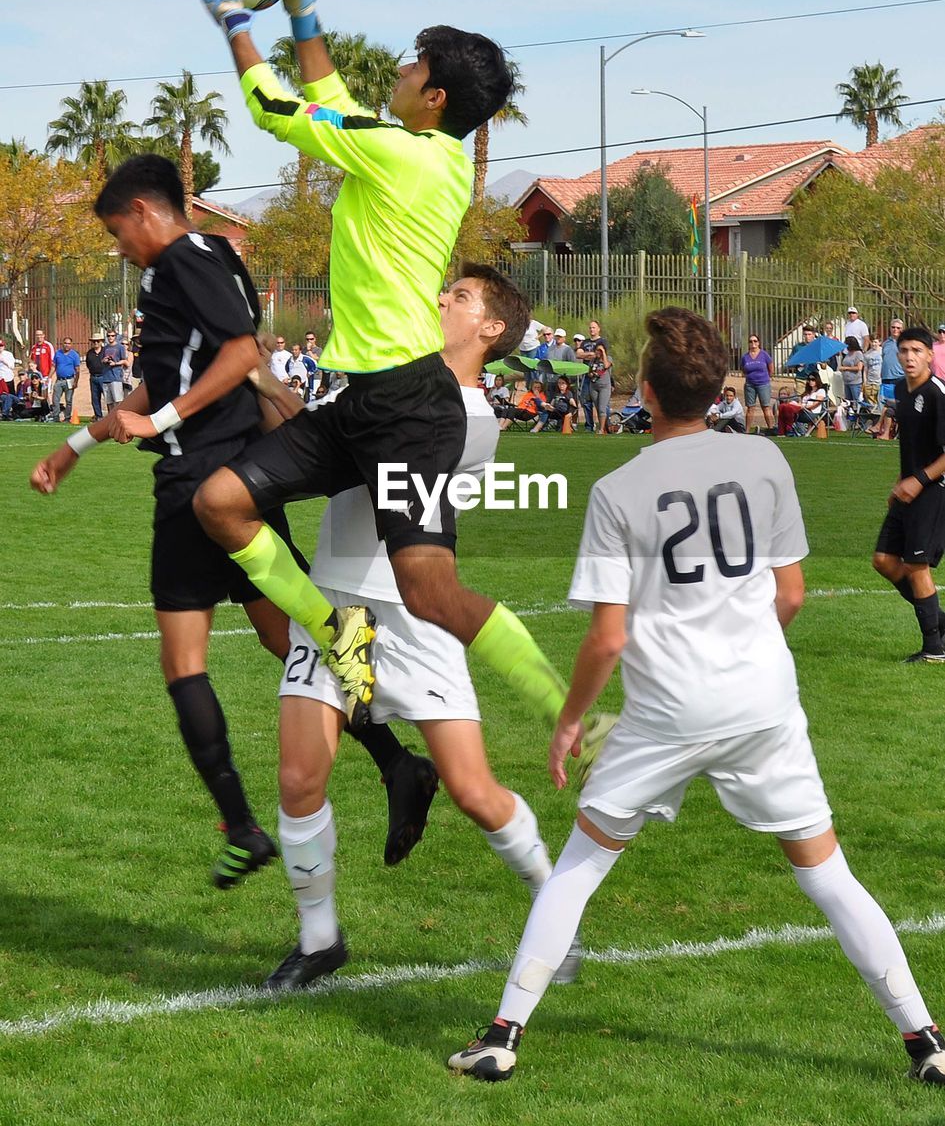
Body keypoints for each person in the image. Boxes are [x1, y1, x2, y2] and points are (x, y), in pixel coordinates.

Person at [449, 306, 945, 1088]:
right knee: (826, 876)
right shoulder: (766, 464)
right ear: (718, 389)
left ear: (644, 390)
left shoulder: (617, 488)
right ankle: (924, 1040)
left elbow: (607, 638)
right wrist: (745, 648)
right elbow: (790, 595)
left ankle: (502, 1034)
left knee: (579, 864)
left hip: (666, 713)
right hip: (760, 702)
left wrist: (570, 718)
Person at [190, 0, 570, 736]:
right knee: (220, 503)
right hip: (362, 399)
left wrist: (232, 17)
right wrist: (302, 2)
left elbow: (275, 108)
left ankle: (567, 711)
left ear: (433, 97)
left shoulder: (405, 155)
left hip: (411, 407)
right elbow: (329, 99)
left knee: (431, 590)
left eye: (413, 65)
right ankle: (337, 635)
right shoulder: (413, 149)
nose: (399, 69)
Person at [30, 155, 438, 885]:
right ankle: (397, 762)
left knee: (185, 663)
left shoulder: (185, 260)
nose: (117, 248)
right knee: (290, 636)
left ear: (147, 213)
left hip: (198, 483)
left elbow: (243, 354)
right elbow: (188, 367)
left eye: (119, 231)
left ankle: (243, 826)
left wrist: (162, 419)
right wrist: (78, 442)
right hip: (234, 477)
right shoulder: (199, 260)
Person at [262, 266, 605, 988]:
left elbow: (347, 460)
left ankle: (552, 908)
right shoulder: (395, 383)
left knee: (474, 790)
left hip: (411, 613)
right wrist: (265, 387)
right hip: (337, 605)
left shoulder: (471, 422)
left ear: (490, 329)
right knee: (299, 778)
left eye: (458, 296)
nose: (439, 298)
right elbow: (318, 444)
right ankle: (319, 939)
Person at [871, 326, 945, 664]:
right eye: (904, 351)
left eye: (917, 350)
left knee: (916, 564)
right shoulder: (901, 388)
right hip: (909, 486)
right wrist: (900, 481)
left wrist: (918, 480)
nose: (910, 357)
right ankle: (940, 624)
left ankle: (934, 649)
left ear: (930, 354)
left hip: (935, 488)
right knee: (884, 561)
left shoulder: (937, 394)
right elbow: (911, 445)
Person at [873, 319, 905, 441]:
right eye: (893, 327)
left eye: (898, 328)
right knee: (885, 408)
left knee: (890, 405)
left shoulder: (903, 343)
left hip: (899, 379)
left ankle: (878, 427)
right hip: (885, 380)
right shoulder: (886, 344)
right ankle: (884, 433)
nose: (895, 330)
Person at [740, 333, 774, 431]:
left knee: (766, 407)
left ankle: (771, 428)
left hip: (763, 383)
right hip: (750, 384)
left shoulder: (764, 355)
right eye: (750, 341)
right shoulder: (745, 357)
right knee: (750, 408)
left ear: (758, 343)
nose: (753, 343)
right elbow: (743, 369)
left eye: (755, 341)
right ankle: (747, 430)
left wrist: (767, 377)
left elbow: (771, 368)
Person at [51, 337, 82, 422]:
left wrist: (76, 381)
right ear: (62, 344)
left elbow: (77, 369)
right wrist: (49, 377)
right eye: (65, 343)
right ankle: (55, 416)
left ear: (71, 344)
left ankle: (67, 417)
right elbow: (54, 366)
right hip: (59, 380)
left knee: (68, 400)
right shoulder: (58, 353)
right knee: (55, 399)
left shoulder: (74, 355)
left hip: (70, 379)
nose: (66, 345)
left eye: (68, 343)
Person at [100, 329, 129, 412]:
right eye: (108, 336)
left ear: (115, 337)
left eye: (112, 336)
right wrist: (104, 360)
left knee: (117, 401)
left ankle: (117, 419)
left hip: (116, 377)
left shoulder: (120, 347)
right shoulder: (105, 348)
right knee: (109, 403)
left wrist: (115, 363)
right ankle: (110, 421)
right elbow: (101, 361)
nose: (110, 337)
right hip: (106, 377)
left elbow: (124, 361)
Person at [84, 333, 108, 421]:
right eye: (94, 341)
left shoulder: (105, 351)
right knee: (95, 398)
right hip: (93, 377)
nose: (96, 343)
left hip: (104, 377)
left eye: (98, 341)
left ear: (101, 342)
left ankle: (110, 415)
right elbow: (88, 364)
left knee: (107, 397)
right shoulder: (89, 353)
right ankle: (98, 416)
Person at [840, 336, 864, 404]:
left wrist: (846, 368)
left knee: (856, 401)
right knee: (848, 402)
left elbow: (859, 368)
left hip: (855, 382)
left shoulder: (858, 353)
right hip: (846, 382)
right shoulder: (847, 354)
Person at [862, 336, 883, 405]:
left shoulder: (883, 351)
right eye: (872, 342)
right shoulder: (867, 354)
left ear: (879, 342)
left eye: (875, 342)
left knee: (880, 402)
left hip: (880, 381)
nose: (873, 344)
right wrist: (865, 381)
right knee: (871, 404)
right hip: (870, 381)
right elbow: (865, 369)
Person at [0, 336, 16, 420]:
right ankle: (3, 413)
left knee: (11, 396)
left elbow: (12, 366)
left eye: (1, 346)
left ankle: (10, 412)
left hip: (8, 378)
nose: (0, 348)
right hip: (0, 380)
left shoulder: (8, 354)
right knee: (2, 397)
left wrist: (3, 361)